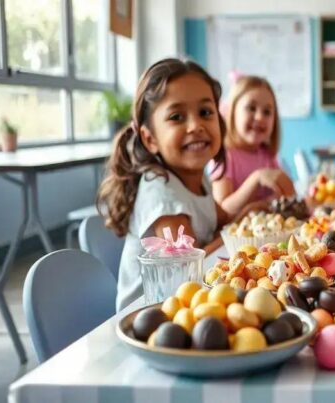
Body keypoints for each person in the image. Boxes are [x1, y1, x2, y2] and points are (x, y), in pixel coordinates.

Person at [97, 58, 232, 311]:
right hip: (150, 318)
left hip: (186, 308)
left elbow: (225, 221)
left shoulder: (196, 176)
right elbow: (190, 268)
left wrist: (255, 212)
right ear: (150, 138)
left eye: (205, 112)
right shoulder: (161, 191)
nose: (196, 126)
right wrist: (234, 235)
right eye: (177, 116)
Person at [210, 75, 295, 216]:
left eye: (267, 112)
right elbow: (222, 211)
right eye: (251, 108)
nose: (260, 117)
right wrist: (256, 179)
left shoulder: (268, 156)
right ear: (233, 112)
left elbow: (285, 194)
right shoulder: (224, 156)